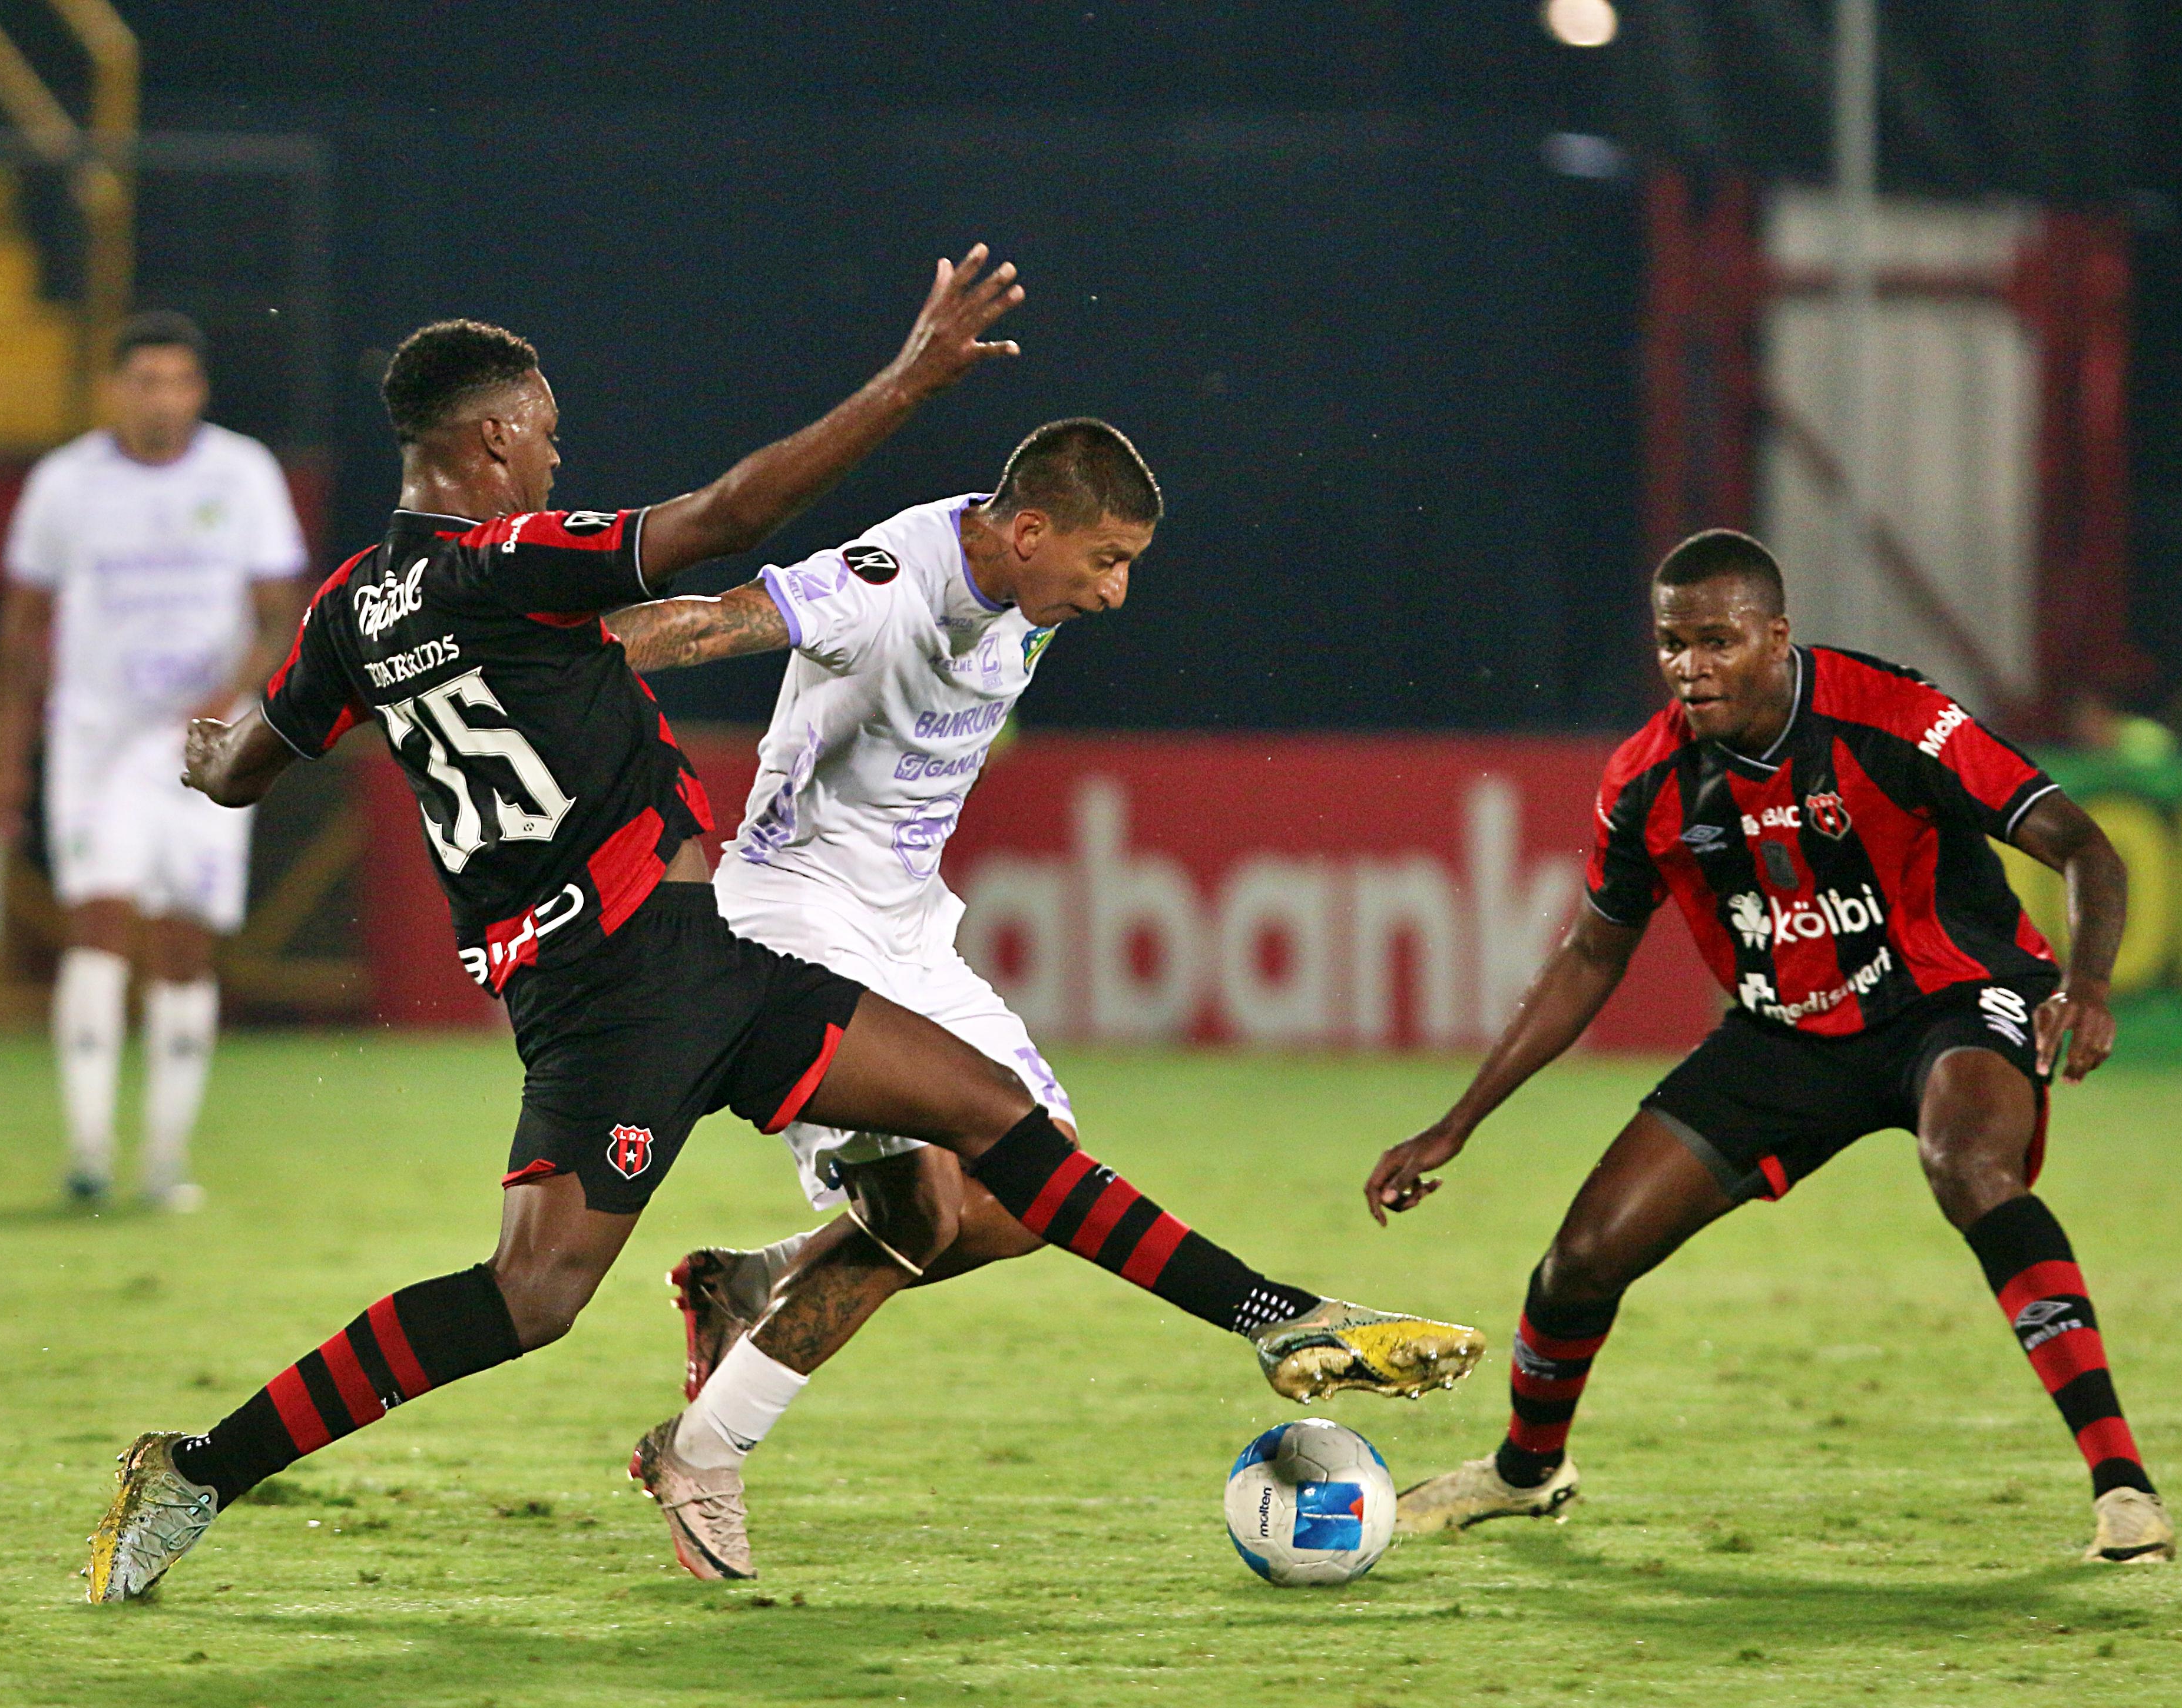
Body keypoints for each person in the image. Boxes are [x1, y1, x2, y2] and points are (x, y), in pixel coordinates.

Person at [85, 250, 1474, 1599]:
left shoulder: (348, 612)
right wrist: (910, 381)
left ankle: (1276, 1315)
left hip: (704, 962)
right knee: (528, 1298)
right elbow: (723, 518)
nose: (560, 460)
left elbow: (242, 766)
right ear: (497, 436)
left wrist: (204, 745)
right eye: (550, 437)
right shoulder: (507, 559)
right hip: (612, 990)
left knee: (994, 1117)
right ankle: (199, 1466)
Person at [611, 418, 1478, 1527]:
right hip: (796, 917)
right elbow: (716, 623)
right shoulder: (886, 582)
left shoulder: (1022, 590)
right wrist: (520, 652)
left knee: (1031, 1191)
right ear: (1027, 531)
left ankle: (748, 1279)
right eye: (1105, 561)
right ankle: (700, 1452)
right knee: (921, 1204)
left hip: (910, 927)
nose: (1117, 593)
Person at [1365, 528, 2174, 1565]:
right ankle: (1525, 1474)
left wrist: (2087, 981)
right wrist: (1456, 1122)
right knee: (1579, 1260)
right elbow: (1586, 959)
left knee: (1969, 1164)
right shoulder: (1647, 782)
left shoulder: (1891, 716)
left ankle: (2123, 1487)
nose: (1690, 667)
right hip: (1787, 1037)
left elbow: (2078, 843)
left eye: (1716, 641)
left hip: (1951, 997)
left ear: (1776, 635)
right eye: (1670, 644)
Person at [0, 312, 310, 1210]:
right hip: (97, 737)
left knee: (182, 942)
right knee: (97, 923)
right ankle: (89, 1149)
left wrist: (231, 696)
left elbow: (278, 610)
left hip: (208, 746)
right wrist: (19, 751)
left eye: (176, 380)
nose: (160, 397)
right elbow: (22, 623)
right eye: (144, 380)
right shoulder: (65, 483)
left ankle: (165, 1158)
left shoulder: (241, 473)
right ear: (116, 390)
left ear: (197, 392)